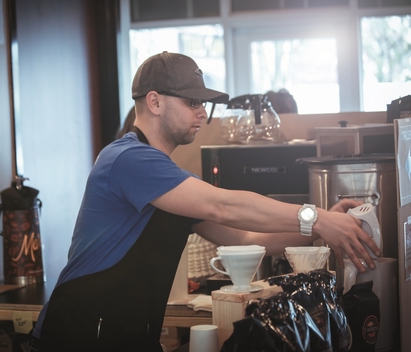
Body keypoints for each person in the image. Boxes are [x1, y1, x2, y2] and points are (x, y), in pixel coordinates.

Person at [31, 51, 379, 352]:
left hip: (130, 337)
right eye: (192, 102)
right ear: (154, 102)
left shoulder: (170, 181)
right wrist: (316, 216)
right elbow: (224, 205)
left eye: (204, 104)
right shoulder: (126, 159)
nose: (202, 113)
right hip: (81, 335)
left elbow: (243, 238)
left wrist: (319, 228)